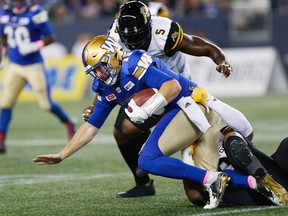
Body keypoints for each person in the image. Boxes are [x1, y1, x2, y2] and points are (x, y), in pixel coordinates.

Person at [34, 35, 288, 208]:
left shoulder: (133, 63)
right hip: (178, 117)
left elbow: (172, 86)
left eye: (101, 67)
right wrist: (62, 154)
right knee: (197, 195)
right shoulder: (103, 84)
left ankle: (223, 156)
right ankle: (255, 181)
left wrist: (148, 109)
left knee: (146, 159)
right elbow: (91, 127)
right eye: (95, 71)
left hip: (192, 107)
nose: (100, 74)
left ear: (113, 57)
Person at [82, 0, 253, 198]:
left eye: (138, 34)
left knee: (196, 196)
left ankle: (221, 141)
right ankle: (143, 180)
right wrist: (94, 105)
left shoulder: (163, 32)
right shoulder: (114, 37)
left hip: (176, 91)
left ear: (150, 25)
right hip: (143, 91)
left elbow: (200, 45)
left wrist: (220, 59)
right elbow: (107, 75)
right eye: (130, 36)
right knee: (123, 132)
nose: (135, 41)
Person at [0, 0, 76, 153]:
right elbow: (3, 36)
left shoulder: (36, 13)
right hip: (14, 65)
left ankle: (69, 123)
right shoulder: (4, 13)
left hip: (33, 66)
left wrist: (36, 45)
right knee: (5, 103)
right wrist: (4, 52)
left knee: (46, 105)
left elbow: (50, 37)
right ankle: (1, 140)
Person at [184, 126, 288, 206]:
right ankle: (260, 182)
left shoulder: (224, 134)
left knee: (231, 137)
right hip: (250, 192)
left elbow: (248, 132)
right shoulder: (195, 161)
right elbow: (195, 196)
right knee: (232, 138)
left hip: (274, 175)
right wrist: (187, 154)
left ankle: (263, 179)